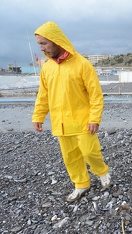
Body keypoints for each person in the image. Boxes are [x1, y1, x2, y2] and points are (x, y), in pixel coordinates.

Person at [32, 21, 111, 202]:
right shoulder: (47, 68)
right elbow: (43, 95)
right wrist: (38, 115)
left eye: (44, 43)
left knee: (90, 151)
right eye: (39, 45)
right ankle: (81, 183)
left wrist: (94, 118)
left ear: (56, 40)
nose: (42, 48)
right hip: (60, 122)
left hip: (83, 120)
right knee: (70, 157)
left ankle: (102, 172)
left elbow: (96, 95)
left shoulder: (82, 64)